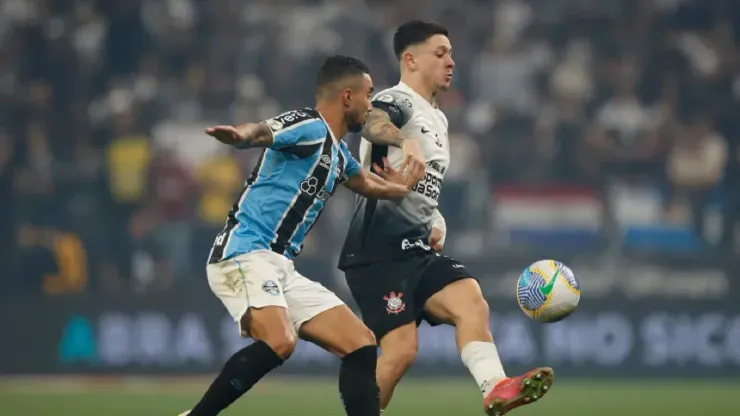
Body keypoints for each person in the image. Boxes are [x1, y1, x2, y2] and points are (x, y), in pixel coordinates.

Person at [180, 55, 421, 416]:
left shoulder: (338, 152)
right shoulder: (309, 125)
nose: (370, 105)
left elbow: (366, 183)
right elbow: (264, 132)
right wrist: (242, 136)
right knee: (280, 341)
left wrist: (401, 189)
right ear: (346, 96)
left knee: (360, 343)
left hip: (281, 268)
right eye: (368, 95)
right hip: (244, 252)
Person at [338, 21, 554, 416]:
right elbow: (371, 122)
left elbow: (421, 185)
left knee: (471, 299)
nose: (451, 62)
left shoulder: (438, 119)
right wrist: (404, 139)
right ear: (411, 59)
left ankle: (496, 387)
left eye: (451, 53)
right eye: (440, 53)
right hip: (378, 250)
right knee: (401, 350)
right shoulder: (397, 99)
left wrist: (435, 218)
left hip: (417, 248)